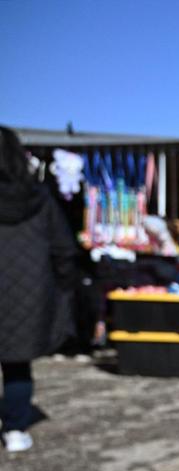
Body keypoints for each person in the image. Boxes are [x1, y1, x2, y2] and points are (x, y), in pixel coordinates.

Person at [0, 126, 78, 452]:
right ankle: (15, 429)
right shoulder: (38, 197)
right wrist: (62, 287)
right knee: (17, 364)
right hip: (25, 295)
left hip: (24, 290)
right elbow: (64, 248)